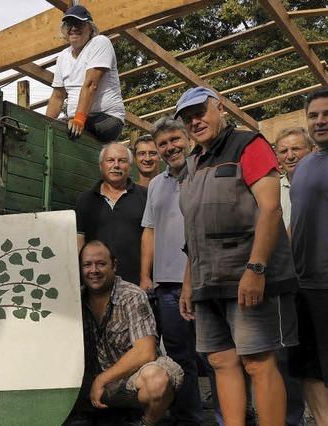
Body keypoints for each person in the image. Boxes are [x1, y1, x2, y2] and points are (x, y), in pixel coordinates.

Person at [176, 87, 298, 426]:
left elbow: (271, 209)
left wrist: (256, 269)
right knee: (220, 362)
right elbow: (193, 231)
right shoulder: (191, 164)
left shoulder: (248, 144)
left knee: (258, 362)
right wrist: (189, 283)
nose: (194, 121)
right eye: (187, 118)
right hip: (207, 282)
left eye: (200, 112)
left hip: (249, 276)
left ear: (219, 108)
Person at [76, 240, 183, 425]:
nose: (94, 270)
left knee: (157, 381)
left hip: (128, 382)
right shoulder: (74, 299)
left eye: (101, 264)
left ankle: (146, 422)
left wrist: (102, 379)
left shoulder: (132, 295)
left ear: (114, 266)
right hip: (88, 386)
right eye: (87, 265)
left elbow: (145, 351)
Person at [140, 117, 203, 425]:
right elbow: (149, 231)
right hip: (167, 285)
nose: (169, 147)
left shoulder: (204, 170)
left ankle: (233, 414)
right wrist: (145, 275)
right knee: (180, 358)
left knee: (220, 354)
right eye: (162, 143)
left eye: (175, 140)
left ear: (188, 138)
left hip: (205, 279)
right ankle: (189, 417)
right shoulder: (156, 184)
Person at [289, 86, 328, 426]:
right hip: (302, 283)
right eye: (313, 115)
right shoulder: (304, 164)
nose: (320, 121)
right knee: (308, 367)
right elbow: (298, 222)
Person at [45, 5, 125, 142]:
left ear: (90, 28)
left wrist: (79, 119)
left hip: (107, 119)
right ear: (64, 30)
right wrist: (44, 124)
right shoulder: (63, 57)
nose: (74, 28)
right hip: (77, 120)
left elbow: (91, 84)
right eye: (69, 24)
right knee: (56, 129)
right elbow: (57, 96)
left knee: (66, 130)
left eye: (79, 23)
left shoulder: (100, 42)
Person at [75, 142, 147, 285]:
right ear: (101, 166)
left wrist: (146, 277)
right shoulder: (85, 200)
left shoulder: (145, 197)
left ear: (130, 166)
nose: (116, 165)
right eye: (110, 160)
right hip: (96, 283)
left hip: (135, 284)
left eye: (122, 161)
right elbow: (79, 240)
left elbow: (150, 240)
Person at [274, 127, 314, 227]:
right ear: (277, 157)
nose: (290, 156)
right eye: (284, 151)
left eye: (296, 149)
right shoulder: (273, 191)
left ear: (312, 150)